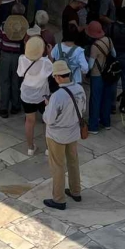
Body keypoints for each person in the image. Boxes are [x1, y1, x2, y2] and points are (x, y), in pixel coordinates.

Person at [43, 60, 87, 210]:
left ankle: (59, 199)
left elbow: (48, 119)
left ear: (57, 77)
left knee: (58, 166)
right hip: (73, 132)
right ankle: (76, 191)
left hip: (57, 135)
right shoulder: (80, 89)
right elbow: (83, 109)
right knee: (73, 162)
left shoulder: (57, 96)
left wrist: (48, 106)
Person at [17, 36, 53, 156]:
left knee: (29, 121)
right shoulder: (45, 62)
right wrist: (50, 54)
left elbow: (19, 73)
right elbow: (53, 70)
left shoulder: (22, 59)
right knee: (46, 121)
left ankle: (30, 148)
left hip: (27, 94)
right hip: (43, 95)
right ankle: (48, 148)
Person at [0, 11, 29, 118]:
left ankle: (3, 108)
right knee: (16, 81)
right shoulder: (25, 26)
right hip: (18, 57)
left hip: (5, 56)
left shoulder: (4, 24)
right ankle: (15, 106)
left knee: (4, 81)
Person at [85, 21, 117, 131]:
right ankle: (106, 122)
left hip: (97, 75)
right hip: (108, 74)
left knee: (95, 100)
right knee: (106, 98)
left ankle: (93, 126)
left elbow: (90, 66)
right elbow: (114, 54)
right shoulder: (108, 40)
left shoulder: (94, 46)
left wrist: (86, 59)